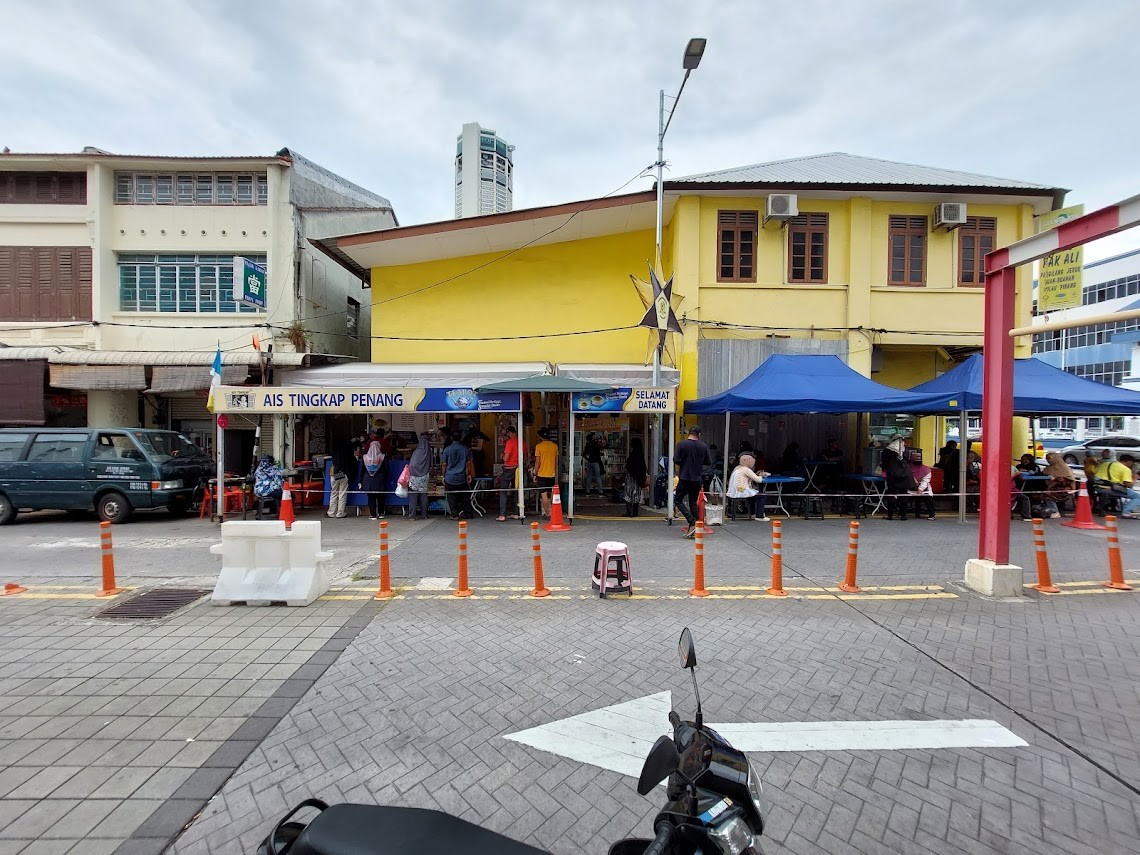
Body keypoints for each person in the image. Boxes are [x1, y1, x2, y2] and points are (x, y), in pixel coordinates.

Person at [673, 425, 711, 537]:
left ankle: (691, 521)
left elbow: (676, 459)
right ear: (699, 435)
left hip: (684, 477)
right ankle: (697, 526)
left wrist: (684, 463)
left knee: (678, 500)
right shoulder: (703, 446)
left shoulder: (681, 444)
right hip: (697, 478)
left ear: (688, 433)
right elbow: (708, 462)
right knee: (693, 502)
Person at [881, 438, 916, 520]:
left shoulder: (888, 450)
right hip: (905, 474)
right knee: (904, 495)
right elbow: (907, 460)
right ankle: (903, 515)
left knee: (892, 495)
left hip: (893, 474)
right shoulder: (905, 449)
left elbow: (884, 462)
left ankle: (890, 515)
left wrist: (882, 469)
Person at [728, 453, 769, 521]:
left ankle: (752, 514)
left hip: (734, 492)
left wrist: (756, 474)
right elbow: (758, 480)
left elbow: (751, 476)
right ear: (748, 461)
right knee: (762, 495)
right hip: (742, 492)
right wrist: (761, 475)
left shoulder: (737, 468)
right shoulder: (746, 469)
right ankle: (759, 516)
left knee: (752, 496)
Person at [440, 431, 472, 520]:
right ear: (461, 438)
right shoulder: (465, 449)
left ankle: (455, 515)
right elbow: (468, 464)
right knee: (465, 496)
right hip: (462, 477)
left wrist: (443, 475)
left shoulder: (447, 449)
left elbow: (444, 464)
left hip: (450, 477)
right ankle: (467, 513)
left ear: (451, 438)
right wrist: (469, 474)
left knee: (451, 496)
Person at [327, 437, 358, 519]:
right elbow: (353, 462)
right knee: (342, 493)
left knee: (334, 493)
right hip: (343, 474)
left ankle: (331, 512)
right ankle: (340, 513)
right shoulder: (348, 451)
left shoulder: (334, 451)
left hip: (335, 473)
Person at [496, 425, 522, 522]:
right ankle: (516, 513)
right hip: (518, 469)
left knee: (503, 491)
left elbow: (506, 458)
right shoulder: (522, 442)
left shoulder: (510, 442)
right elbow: (526, 456)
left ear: (509, 433)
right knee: (516, 491)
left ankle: (502, 515)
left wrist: (502, 456)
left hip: (508, 469)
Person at [532, 428, 559, 519]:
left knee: (543, 495)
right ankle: (553, 512)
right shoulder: (554, 446)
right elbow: (556, 462)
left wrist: (535, 474)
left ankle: (547, 514)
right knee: (551, 494)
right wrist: (554, 470)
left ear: (540, 436)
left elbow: (537, 462)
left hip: (541, 474)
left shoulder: (539, 446)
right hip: (551, 474)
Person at [406, 431, 433, 520]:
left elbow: (412, 464)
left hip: (414, 476)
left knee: (413, 496)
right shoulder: (428, 451)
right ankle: (424, 515)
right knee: (423, 495)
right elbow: (431, 464)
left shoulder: (416, 452)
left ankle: (412, 516)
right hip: (424, 476)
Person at [1040, 453, 1076, 519]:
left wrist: (1056, 479)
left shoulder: (1065, 468)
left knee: (1048, 494)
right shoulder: (1048, 468)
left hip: (1064, 489)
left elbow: (1069, 481)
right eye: (1047, 459)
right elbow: (1041, 474)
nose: (1048, 461)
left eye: (1049, 459)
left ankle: (1054, 511)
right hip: (1051, 487)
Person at [360, 434, 386, 520]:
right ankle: (381, 513)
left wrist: (360, 481)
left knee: (371, 497)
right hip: (380, 480)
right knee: (380, 497)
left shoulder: (364, 458)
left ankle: (373, 515)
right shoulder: (383, 457)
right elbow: (387, 470)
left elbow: (361, 471)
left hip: (368, 480)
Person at [622, 437, 649, 517]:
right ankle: (635, 512)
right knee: (636, 495)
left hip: (631, 478)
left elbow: (629, 466)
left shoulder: (633, 454)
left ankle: (629, 512)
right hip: (638, 479)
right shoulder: (640, 454)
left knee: (628, 494)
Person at [908, 450, 936, 520]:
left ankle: (932, 514)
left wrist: (920, 488)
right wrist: (914, 482)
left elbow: (926, 481)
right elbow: (907, 477)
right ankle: (904, 513)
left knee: (928, 498)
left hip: (923, 488)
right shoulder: (908, 469)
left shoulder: (926, 470)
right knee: (904, 497)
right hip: (910, 486)